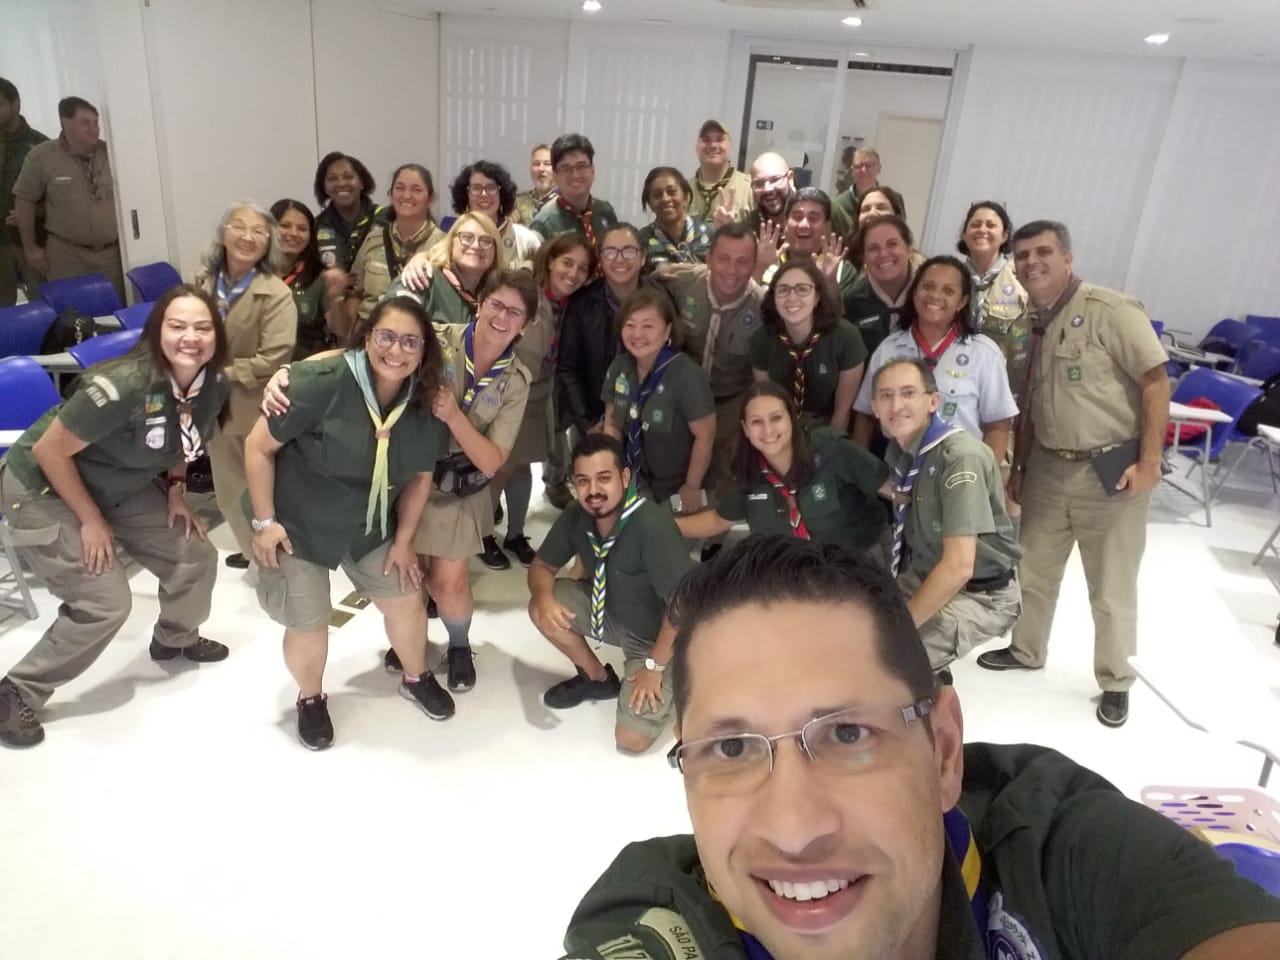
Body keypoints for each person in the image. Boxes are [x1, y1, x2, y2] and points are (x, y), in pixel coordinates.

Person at [558, 534, 1280, 960]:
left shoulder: (1058, 849)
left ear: (942, 751)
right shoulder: (657, 919)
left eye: (847, 734)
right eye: (732, 748)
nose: (793, 829)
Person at [0, 286, 231, 749]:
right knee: (105, 601)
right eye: (177, 326)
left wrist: (177, 491)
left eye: (202, 327)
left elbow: (184, 436)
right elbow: (49, 452)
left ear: (217, 337)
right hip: (44, 486)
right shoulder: (123, 385)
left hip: (117, 481)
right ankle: (18, 690)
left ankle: (175, 638)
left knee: (194, 553)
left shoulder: (212, 384)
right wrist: (90, 520)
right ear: (157, 332)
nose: (191, 337)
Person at [977, 221, 1171, 729]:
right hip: (1047, 465)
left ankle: (1116, 679)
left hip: (1111, 470)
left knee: (1110, 585)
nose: (1031, 262)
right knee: (1033, 571)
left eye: (1043, 252)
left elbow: (1156, 383)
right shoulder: (1028, 321)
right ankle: (1026, 649)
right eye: (1022, 255)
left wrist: (1150, 462)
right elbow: (1028, 403)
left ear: (1067, 257)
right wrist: (1020, 467)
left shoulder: (1111, 310)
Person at [244, 296, 452, 749]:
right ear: (367, 337)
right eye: (386, 336)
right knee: (309, 618)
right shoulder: (318, 384)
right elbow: (257, 448)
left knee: (406, 597)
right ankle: (310, 697)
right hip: (298, 521)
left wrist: (404, 540)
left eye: (410, 342)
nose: (396, 350)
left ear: (424, 351)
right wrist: (265, 522)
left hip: (367, 523)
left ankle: (415, 677)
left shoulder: (424, 401)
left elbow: (420, 476)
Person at [528, 432, 694, 753]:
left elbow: (682, 608)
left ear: (625, 477)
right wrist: (545, 598)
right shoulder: (577, 516)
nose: (593, 490)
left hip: (662, 636)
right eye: (583, 481)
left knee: (631, 740)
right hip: (612, 611)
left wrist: (653, 668)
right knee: (540, 605)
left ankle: (684, 676)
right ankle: (597, 680)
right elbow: (541, 567)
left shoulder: (652, 527)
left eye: (604, 478)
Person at [872, 359, 1021, 677]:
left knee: (893, 663)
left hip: (981, 593)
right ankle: (935, 684)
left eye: (908, 393)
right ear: (874, 408)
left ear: (933, 401)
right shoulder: (902, 451)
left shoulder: (958, 458)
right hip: (922, 573)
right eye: (886, 396)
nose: (896, 406)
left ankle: (923, 694)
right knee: (858, 633)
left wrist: (901, 631)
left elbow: (959, 567)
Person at [192, 200, 297, 570]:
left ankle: (275, 561)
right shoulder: (202, 283)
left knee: (259, 491)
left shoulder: (275, 292)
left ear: (269, 242)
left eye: (258, 231)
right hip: (211, 404)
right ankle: (256, 557)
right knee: (227, 491)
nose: (248, 237)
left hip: (253, 407)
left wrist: (223, 373)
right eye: (239, 227)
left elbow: (275, 356)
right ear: (223, 234)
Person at [676, 381, 889, 558]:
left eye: (776, 418)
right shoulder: (746, 470)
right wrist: (664, 526)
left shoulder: (833, 449)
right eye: (756, 422)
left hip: (858, 563)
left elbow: (891, 489)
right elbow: (719, 520)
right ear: (745, 429)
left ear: (792, 419)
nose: (768, 430)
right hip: (797, 573)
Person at [488, 233, 593, 567]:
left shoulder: (571, 304)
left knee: (523, 465)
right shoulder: (525, 291)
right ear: (549, 261)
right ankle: (481, 534)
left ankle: (515, 534)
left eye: (582, 268)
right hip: (508, 393)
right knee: (499, 467)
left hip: (539, 395)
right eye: (567, 263)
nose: (573, 274)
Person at [852, 254, 1017, 461]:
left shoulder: (983, 353)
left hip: (957, 468)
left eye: (948, 291)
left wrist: (982, 474)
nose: (935, 296)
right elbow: (865, 415)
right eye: (928, 287)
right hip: (895, 467)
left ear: (962, 302)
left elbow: (998, 426)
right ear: (914, 293)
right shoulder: (889, 349)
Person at [649, 222, 764, 511]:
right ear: (709, 258)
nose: (732, 270)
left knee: (723, 477)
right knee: (675, 464)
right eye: (723, 258)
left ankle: (712, 527)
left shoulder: (764, 307)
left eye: (743, 261)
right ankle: (668, 518)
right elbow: (647, 286)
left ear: (754, 265)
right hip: (683, 398)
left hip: (731, 401)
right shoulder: (682, 281)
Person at [601, 289, 716, 513]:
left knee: (661, 532)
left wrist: (692, 486)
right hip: (634, 478)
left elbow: (706, 435)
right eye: (630, 325)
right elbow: (612, 425)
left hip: (678, 485)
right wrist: (611, 474)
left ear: (668, 331)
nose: (637, 334)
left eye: (648, 326)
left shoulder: (687, 374)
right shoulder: (619, 367)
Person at [12, 96, 124, 302]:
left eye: (96, 123)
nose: (94, 129)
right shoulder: (42, 156)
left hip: (110, 254)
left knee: (114, 309)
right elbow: (24, 200)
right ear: (65, 123)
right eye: (85, 123)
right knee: (70, 313)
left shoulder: (111, 153)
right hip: (67, 255)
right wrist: (30, 248)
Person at [555, 223, 647, 464]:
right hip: (593, 418)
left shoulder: (660, 299)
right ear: (601, 259)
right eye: (610, 252)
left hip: (649, 420)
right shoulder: (581, 303)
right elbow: (568, 368)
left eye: (629, 251)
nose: (619, 259)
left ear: (643, 257)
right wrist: (587, 423)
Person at [750, 258, 866, 431]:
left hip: (829, 426)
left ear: (817, 297)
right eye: (783, 290)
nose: (792, 297)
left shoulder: (846, 337)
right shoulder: (762, 339)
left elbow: (842, 412)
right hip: (781, 425)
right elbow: (767, 402)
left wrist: (829, 443)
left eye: (802, 289)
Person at [342, 163, 445, 333]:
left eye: (416, 189)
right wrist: (349, 341)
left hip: (418, 338)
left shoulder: (445, 246)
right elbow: (355, 295)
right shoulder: (373, 240)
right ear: (391, 195)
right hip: (369, 335)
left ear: (431, 199)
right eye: (400, 188)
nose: (407, 195)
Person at [959, 200, 1029, 391]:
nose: (982, 230)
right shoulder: (951, 277)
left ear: (1004, 235)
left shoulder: (1022, 279)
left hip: (1000, 384)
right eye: (975, 224)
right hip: (954, 377)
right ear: (965, 234)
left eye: (991, 225)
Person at [393, 211, 502, 327]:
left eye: (486, 241)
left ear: (495, 251)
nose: (476, 246)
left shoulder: (496, 295)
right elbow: (395, 326)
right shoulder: (421, 278)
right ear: (451, 242)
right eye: (467, 237)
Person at [270, 199, 344, 360]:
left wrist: (336, 297)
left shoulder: (319, 276)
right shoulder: (255, 272)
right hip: (259, 365)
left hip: (305, 365)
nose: (293, 233)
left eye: (302, 229)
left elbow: (340, 331)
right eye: (285, 226)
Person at [842, 214, 919, 360]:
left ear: (909, 249)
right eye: (873, 248)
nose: (883, 254)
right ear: (864, 257)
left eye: (892, 244)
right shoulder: (850, 302)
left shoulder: (926, 294)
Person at [0, 77, 48, 306]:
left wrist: (32, 212)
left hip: (31, 242)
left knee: (43, 306)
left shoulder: (40, 146)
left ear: (16, 104)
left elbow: (59, 199)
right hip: (1, 247)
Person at [759, 188, 855, 296]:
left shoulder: (841, 270)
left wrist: (830, 282)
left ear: (827, 227)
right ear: (785, 223)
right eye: (797, 217)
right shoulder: (766, 263)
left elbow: (841, 307)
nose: (803, 225)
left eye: (813, 218)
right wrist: (759, 268)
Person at [448, 159, 541, 270]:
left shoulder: (526, 240)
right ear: (466, 195)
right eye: (476, 188)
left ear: (501, 194)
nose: (484, 194)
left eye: (491, 188)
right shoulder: (455, 240)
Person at [530, 133, 618, 245]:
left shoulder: (605, 211)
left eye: (581, 166)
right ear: (555, 175)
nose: (575, 175)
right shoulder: (544, 223)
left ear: (592, 170)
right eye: (566, 168)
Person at [312, 151, 381, 273]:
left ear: (361, 183)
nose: (341, 183)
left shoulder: (385, 218)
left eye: (348, 177)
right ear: (324, 187)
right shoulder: (316, 226)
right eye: (332, 178)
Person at [637, 166, 712, 267]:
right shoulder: (641, 239)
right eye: (657, 195)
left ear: (685, 196)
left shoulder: (710, 233)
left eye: (672, 192)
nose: (665, 199)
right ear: (650, 204)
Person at [688, 120, 753, 223]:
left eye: (720, 139)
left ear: (730, 146)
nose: (713, 145)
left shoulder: (749, 188)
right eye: (706, 140)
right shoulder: (684, 190)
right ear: (697, 147)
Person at [741, 151, 794, 235]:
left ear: (790, 179)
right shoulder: (747, 228)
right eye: (759, 183)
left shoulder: (811, 219)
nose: (767, 189)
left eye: (775, 180)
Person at [831, 144, 882, 228]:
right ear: (852, 170)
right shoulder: (839, 205)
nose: (863, 170)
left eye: (869, 166)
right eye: (858, 166)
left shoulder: (890, 201)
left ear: (879, 169)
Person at [513, 143, 556, 225]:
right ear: (530, 169)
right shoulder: (518, 203)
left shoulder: (566, 202)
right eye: (536, 164)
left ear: (557, 169)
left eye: (547, 164)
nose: (541, 169)